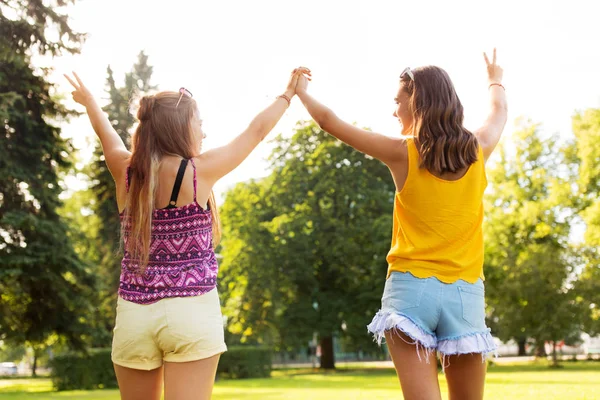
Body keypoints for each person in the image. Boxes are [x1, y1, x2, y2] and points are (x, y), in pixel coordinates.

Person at [64, 68, 303, 400]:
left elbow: (106, 133)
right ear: (179, 128)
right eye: (199, 124)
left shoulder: (126, 171)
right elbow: (256, 131)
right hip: (191, 309)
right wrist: (287, 95)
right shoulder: (197, 172)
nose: (203, 133)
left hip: (135, 311)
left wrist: (90, 102)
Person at [294, 49, 507, 400]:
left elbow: (330, 122)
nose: (394, 111)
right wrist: (494, 80)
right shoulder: (479, 149)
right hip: (466, 293)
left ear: (418, 101)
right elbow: (498, 112)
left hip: (411, 292)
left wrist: (300, 91)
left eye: (398, 101)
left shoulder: (403, 152)